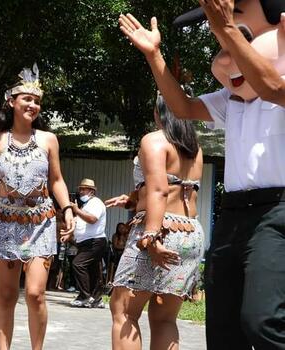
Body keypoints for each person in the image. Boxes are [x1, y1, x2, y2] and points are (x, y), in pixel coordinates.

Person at [120, 0, 285, 348]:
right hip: (234, 213)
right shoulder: (231, 100)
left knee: (263, 319)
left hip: (277, 212)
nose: (225, 58)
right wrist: (155, 55)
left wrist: (224, 25)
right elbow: (181, 107)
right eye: (220, 46)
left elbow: (272, 86)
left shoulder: (279, 87)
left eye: (241, 36)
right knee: (223, 326)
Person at [0, 64, 75, 350]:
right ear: (11, 102)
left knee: (36, 293)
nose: (33, 105)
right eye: (27, 99)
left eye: (37, 101)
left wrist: (67, 209)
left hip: (41, 221)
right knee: (7, 293)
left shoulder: (49, 140)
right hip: (6, 222)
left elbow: (58, 181)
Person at [105, 94, 203, 350]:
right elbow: (175, 187)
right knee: (164, 318)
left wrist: (150, 237)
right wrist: (132, 199)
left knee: (123, 311)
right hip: (190, 231)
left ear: (158, 111)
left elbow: (159, 191)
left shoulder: (154, 141)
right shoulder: (194, 147)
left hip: (159, 230)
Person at [68, 178, 107, 309]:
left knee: (78, 264)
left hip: (94, 241)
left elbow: (92, 219)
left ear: (91, 191)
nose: (80, 191)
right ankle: (96, 298)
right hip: (87, 242)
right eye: (80, 189)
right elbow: (81, 221)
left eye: (83, 189)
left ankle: (85, 296)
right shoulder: (87, 205)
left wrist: (76, 210)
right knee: (93, 270)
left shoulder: (95, 203)